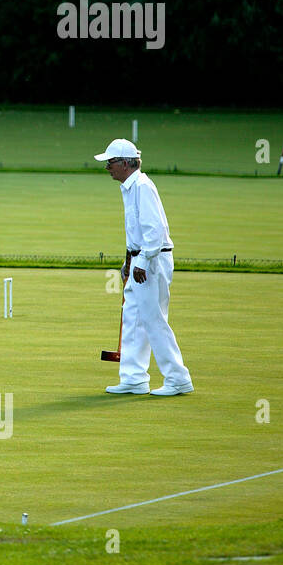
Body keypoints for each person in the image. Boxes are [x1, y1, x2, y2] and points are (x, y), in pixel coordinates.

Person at [94, 139, 194, 396]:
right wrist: (127, 262)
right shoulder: (129, 188)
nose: (107, 167)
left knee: (153, 319)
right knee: (133, 317)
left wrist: (141, 261)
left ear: (126, 163)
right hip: (139, 260)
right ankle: (134, 377)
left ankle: (177, 378)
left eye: (111, 162)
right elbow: (135, 233)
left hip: (152, 260)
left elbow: (154, 231)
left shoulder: (142, 186)